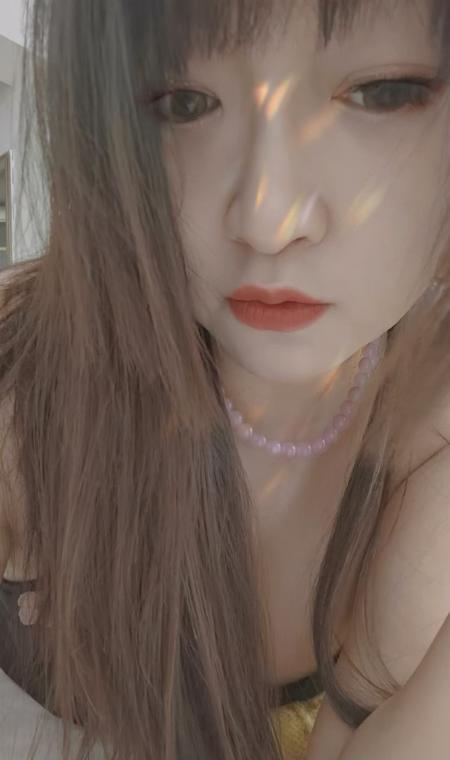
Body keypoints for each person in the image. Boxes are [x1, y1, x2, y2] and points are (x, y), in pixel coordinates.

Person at [0, 0, 450, 759]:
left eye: (381, 93)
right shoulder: (24, 384)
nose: (268, 221)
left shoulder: (431, 432)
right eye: (185, 103)